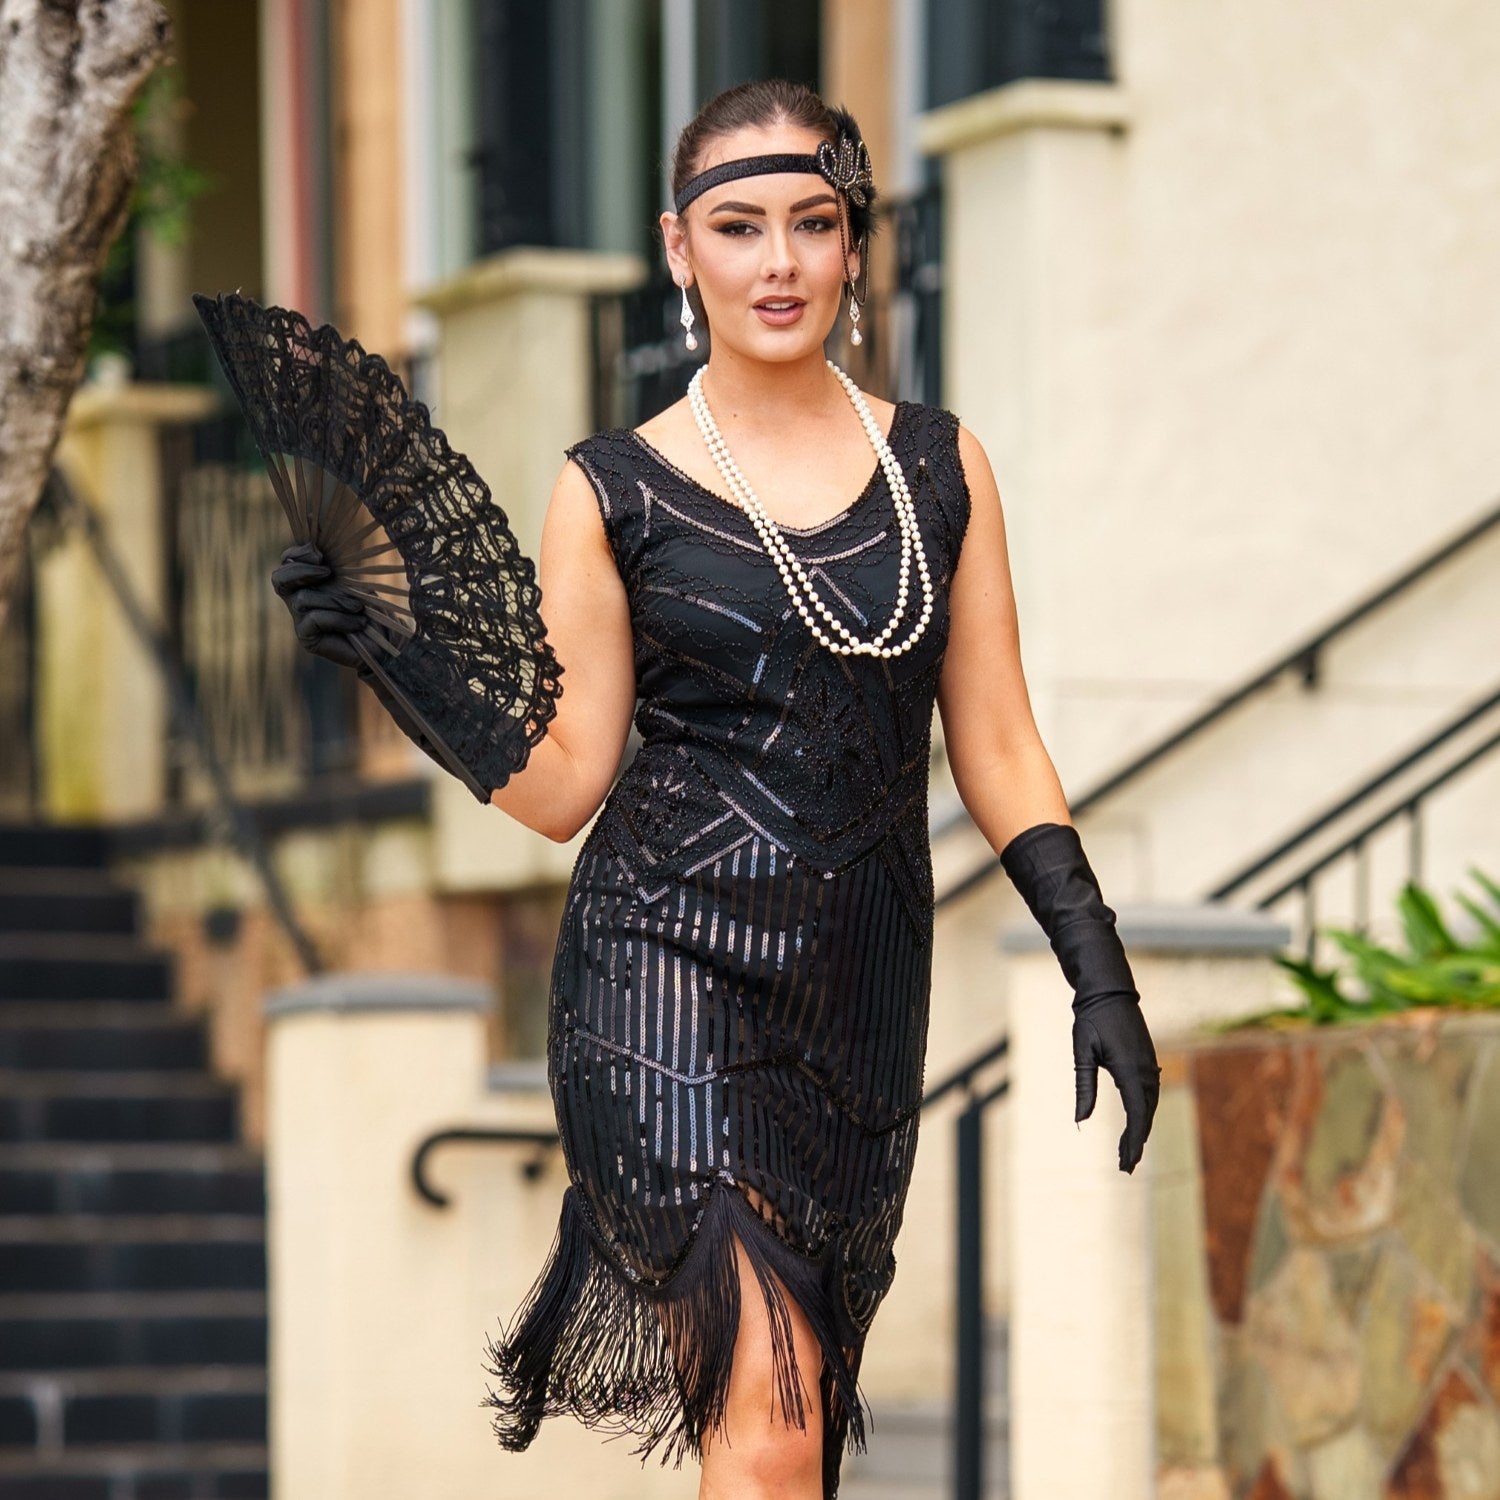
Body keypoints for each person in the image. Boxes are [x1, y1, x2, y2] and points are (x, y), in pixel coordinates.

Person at [273, 77, 1161, 1500]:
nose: (781, 263)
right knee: (769, 1414)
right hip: (659, 967)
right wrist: (396, 659)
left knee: (782, 1447)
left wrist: (1098, 972)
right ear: (679, 246)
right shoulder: (612, 488)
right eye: (740, 227)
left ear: (853, 245)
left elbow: (995, 745)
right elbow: (568, 782)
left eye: (814, 224)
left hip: (858, 998)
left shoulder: (943, 471)